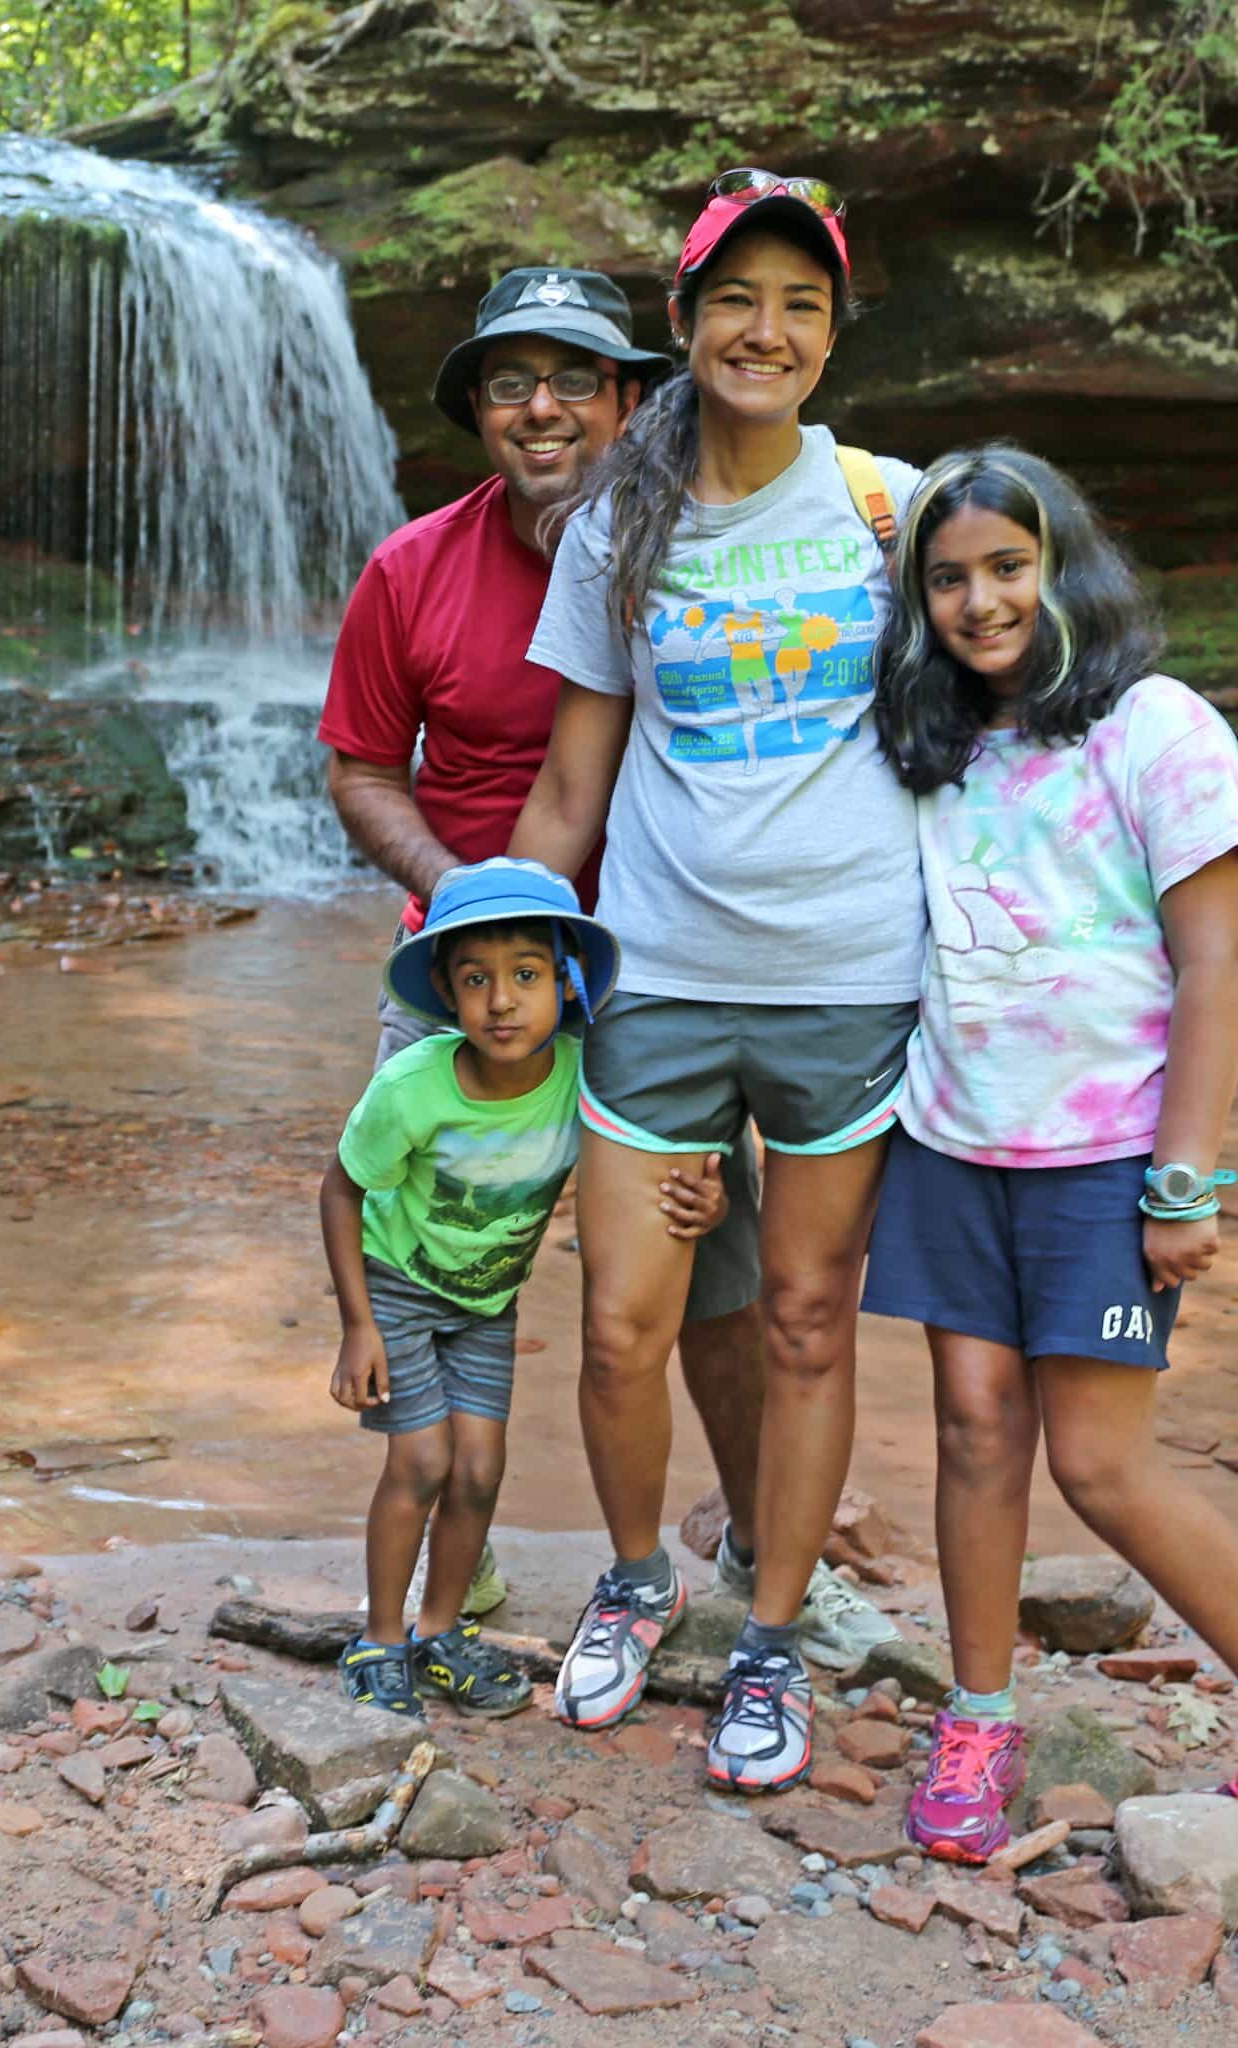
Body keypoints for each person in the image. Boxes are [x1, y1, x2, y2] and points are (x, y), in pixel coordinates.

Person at [319, 268, 899, 1667]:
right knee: (439, 1259)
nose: (545, 408)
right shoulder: (413, 570)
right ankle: (438, 1565)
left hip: (668, 973)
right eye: (512, 382)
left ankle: (767, 1557)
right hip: (483, 977)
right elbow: (356, 768)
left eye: (578, 377)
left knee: (715, 1286)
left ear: (635, 397)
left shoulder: (717, 538)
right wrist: (462, 898)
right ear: (475, 412)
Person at [508, 170, 922, 1787]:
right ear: (679, 324)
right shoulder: (620, 516)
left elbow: (985, 743)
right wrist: (481, 1012)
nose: (765, 329)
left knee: (807, 1324)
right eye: (733, 300)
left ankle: (770, 1634)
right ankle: (630, 1578)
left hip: (847, 982)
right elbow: (566, 794)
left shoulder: (890, 507)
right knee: (620, 1323)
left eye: (798, 304)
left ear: (827, 335)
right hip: (663, 977)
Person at [859, 445, 1238, 1860]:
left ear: (1061, 565)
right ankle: (978, 1714)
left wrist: (1189, 1178)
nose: (978, 601)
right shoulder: (931, 741)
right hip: (952, 1140)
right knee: (972, 1433)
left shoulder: (1159, 729)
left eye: (1006, 567)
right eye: (947, 578)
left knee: (1101, 1462)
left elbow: (1217, 965)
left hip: (1107, 1155)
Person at [322, 858, 729, 1717]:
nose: (502, 1001)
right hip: (398, 1286)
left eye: (526, 975)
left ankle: (439, 1634)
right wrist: (357, 1325)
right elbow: (341, 1187)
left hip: (485, 1304)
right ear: (445, 991)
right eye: (476, 980)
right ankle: (380, 1639)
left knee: (480, 1468)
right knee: (422, 1460)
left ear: (567, 984)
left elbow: (654, 1155)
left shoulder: (585, 1076)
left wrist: (708, 1191)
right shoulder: (414, 1086)